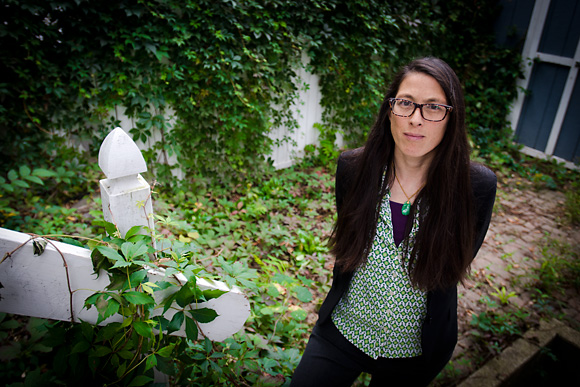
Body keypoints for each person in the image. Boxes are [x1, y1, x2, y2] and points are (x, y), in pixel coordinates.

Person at [290, 57, 497, 387]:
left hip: (414, 353)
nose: (416, 119)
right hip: (342, 331)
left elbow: (455, 264)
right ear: (390, 110)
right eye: (406, 104)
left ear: (450, 118)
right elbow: (350, 245)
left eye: (433, 108)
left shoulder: (475, 188)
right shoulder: (353, 169)